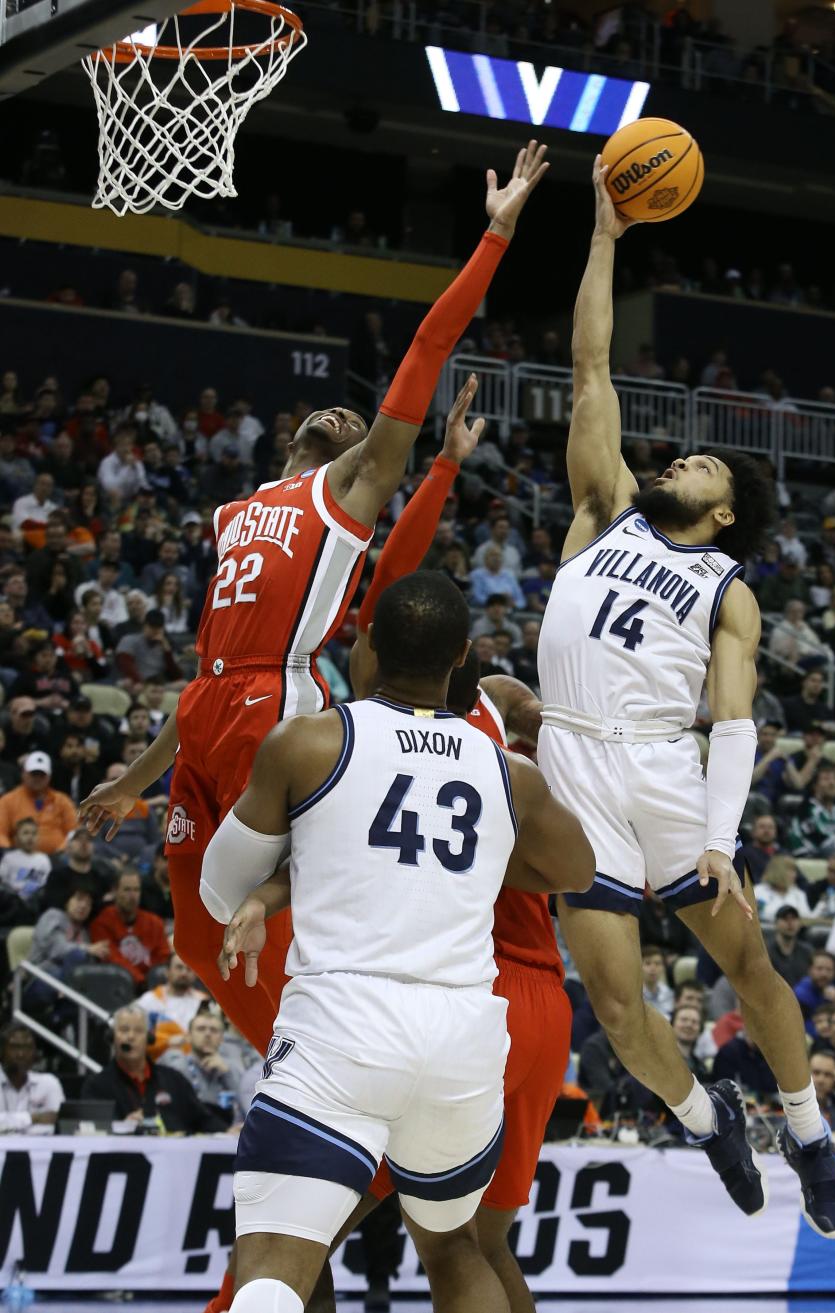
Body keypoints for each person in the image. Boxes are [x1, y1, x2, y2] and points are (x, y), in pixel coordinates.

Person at [79, 145, 549, 1080]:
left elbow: (421, 351)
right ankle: (303, 1061)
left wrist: (494, 234)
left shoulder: (351, 490)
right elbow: (202, 675)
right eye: (329, 412)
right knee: (196, 937)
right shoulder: (237, 509)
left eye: (359, 417)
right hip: (207, 705)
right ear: (292, 435)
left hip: (272, 705)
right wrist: (133, 780)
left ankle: (339, 1067)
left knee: (273, 903)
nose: (346, 415)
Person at [533, 157, 835, 1238]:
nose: (686, 459)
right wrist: (607, 236)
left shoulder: (730, 588)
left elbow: (735, 718)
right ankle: (703, 1113)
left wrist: (719, 833)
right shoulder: (603, 507)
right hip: (574, 765)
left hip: (665, 767)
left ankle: (806, 1129)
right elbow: (589, 365)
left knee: (748, 958)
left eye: (706, 466)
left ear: (724, 516)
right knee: (616, 1002)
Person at [199, 572, 593, 1313]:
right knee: (454, 1245)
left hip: (342, 1028)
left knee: (273, 1268)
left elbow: (221, 887)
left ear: (368, 642)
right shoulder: (507, 771)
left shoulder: (311, 740)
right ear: (462, 658)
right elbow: (576, 868)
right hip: (462, 1041)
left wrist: (284, 878)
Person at [82, 1007, 225, 1133]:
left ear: (149, 1038)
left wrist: (228, 1131)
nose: (131, 1037)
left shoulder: (173, 1079)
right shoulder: (97, 1085)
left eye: (139, 1031)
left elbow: (203, 1119)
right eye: (124, 1030)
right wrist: (122, 1127)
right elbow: (91, 1131)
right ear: (112, 1036)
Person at [159, 1007, 243, 1124]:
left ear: (221, 1038)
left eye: (214, 1030)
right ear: (188, 1036)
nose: (208, 1034)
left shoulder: (232, 1067)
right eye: (201, 1029)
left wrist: (227, 1074)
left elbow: (246, 1105)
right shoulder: (177, 1064)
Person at [88, 869, 170, 987]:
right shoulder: (102, 923)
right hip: (116, 987)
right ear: (115, 891)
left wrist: (151, 983)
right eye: (127, 890)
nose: (132, 896)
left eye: (136, 890)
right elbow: (112, 958)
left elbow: (163, 958)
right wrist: (141, 981)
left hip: (152, 989)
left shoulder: (155, 923)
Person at [0, 751, 78, 854]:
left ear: (49, 777)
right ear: (23, 774)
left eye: (42, 775)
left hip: (58, 858)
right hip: (18, 858)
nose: (37, 778)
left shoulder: (62, 801)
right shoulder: (8, 801)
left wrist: (62, 849)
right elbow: (1, 833)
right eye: (34, 774)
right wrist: (10, 853)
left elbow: (74, 831)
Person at [0, 1022, 65, 1133]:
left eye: (27, 1047)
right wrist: (34, 1118)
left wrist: (8, 1123)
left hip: (42, 1149)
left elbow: (59, 1124)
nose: (21, 1054)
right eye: (14, 1047)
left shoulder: (49, 1083)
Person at [135, 952, 208, 1032]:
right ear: (167, 972)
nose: (184, 973)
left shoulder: (203, 1001)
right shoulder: (149, 999)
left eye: (189, 969)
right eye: (179, 967)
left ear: (195, 975)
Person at [0, 816, 52, 906]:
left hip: (37, 901)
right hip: (13, 902)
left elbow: (47, 883)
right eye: (25, 833)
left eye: (34, 833)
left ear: (38, 837)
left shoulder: (44, 859)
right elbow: (2, 881)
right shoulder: (9, 858)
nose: (30, 837)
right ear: (16, 838)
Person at [767, 906, 814, 986]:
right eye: (785, 919)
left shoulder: (807, 951)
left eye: (794, 918)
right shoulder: (766, 951)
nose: (790, 923)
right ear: (776, 923)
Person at [794, 953, 835, 1034]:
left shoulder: (833, 991)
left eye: (829, 970)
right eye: (819, 968)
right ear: (810, 970)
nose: (824, 974)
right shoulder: (800, 995)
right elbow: (800, 1028)